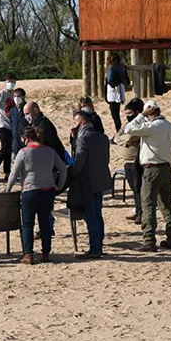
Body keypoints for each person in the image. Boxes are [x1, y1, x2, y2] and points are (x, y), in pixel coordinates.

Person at [122, 100, 171, 251]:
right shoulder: (169, 125)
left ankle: (148, 241)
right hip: (166, 168)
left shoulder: (152, 126)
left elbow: (128, 129)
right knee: (167, 206)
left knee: (148, 205)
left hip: (152, 169)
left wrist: (141, 115)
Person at [6, 127, 68, 265]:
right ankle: (46, 253)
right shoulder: (50, 151)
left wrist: (7, 190)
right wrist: (59, 186)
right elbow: (63, 168)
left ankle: (28, 254)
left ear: (27, 138)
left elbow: (14, 173)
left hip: (30, 190)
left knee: (28, 224)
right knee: (45, 223)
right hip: (48, 190)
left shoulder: (24, 152)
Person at [69, 110, 112, 259]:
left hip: (87, 181)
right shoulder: (103, 137)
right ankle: (98, 245)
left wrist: (71, 174)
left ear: (81, 123)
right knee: (97, 214)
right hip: (101, 179)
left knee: (91, 216)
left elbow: (79, 162)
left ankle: (95, 248)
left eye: (75, 122)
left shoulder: (83, 139)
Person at [114, 98, 144, 223]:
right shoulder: (126, 125)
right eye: (126, 114)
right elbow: (116, 137)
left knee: (139, 188)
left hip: (137, 159)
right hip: (127, 160)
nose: (127, 117)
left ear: (137, 112)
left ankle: (141, 213)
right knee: (134, 188)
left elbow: (132, 136)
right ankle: (137, 211)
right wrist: (124, 141)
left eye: (130, 114)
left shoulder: (141, 124)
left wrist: (126, 139)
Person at [0, 74, 18, 181]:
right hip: (1, 123)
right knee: (6, 146)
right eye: (9, 81)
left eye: (13, 81)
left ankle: (7, 172)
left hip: (11, 124)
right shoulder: (1, 94)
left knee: (9, 149)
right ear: (5, 82)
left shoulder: (15, 95)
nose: (11, 83)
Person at [106, 53, 131, 132]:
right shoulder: (121, 67)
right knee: (117, 114)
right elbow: (126, 81)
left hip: (113, 93)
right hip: (120, 91)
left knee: (115, 115)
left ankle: (119, 131)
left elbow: (110, 81)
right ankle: (119, 130)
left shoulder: (111, 68)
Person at [10, 88, 28, 156]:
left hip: (26, 142)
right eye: (15, 96)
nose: (16, 98)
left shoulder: (28, 108)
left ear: (23, 97)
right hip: (15, 143)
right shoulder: (12, 111)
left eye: (18, 96)